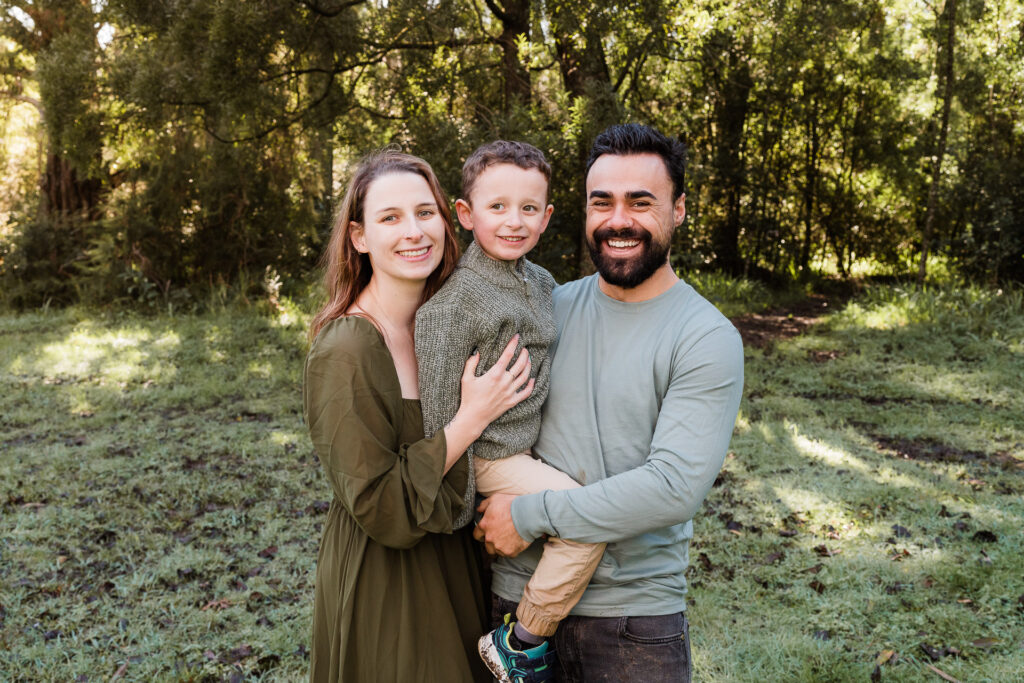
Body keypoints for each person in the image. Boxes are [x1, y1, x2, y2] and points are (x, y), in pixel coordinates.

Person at [475, 123, 745, 682]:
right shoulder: (550, 306)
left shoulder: (705, 337)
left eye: (640, 202)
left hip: (632, 625)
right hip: (508, 607)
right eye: (603, 202)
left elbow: (671, 487)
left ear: (679, 209)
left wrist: (528, 514)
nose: (618, 220)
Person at [303, 150, 536, 683]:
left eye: (425, 212)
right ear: (359, 237)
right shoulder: (347, 349)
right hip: (389, 579)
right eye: (390, 218)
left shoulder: (451, 323)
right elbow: (379, 505)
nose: (414, 232)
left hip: (456, 560)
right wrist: (468, 419)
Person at [414, 141, 605, 683]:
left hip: (529, 447)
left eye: (528, 208)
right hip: (490, 455)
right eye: (497, 207)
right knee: (586, 517)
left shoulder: (541, 282)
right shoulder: (452, 306)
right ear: (466, 215)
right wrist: (465, 495)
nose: (513, 222)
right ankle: (522, 640)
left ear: (546, 218)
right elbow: (436, 419)